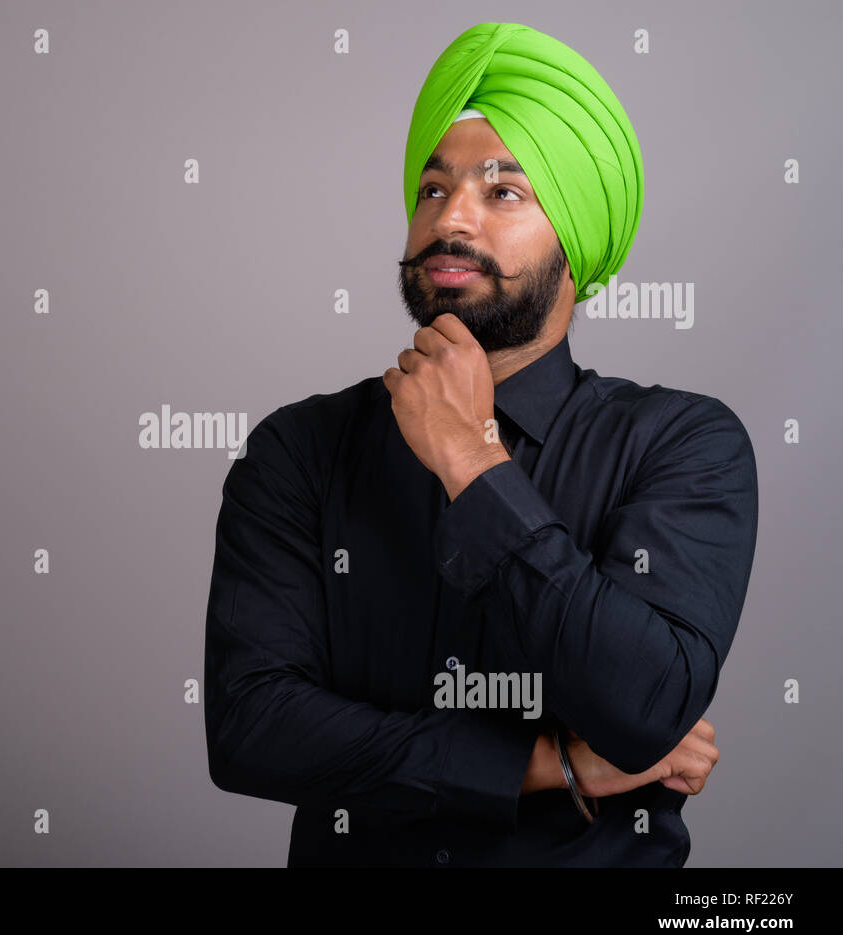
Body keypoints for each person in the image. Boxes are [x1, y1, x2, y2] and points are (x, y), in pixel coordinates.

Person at [202, 22, 757, 866]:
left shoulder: (682, 442)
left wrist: (471, 458)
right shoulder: (299, 450)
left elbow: (643, 706)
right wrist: (545, 764)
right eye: (433, 189)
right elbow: (252, 728)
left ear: (578, 242)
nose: (450, 217)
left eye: (503, 193)